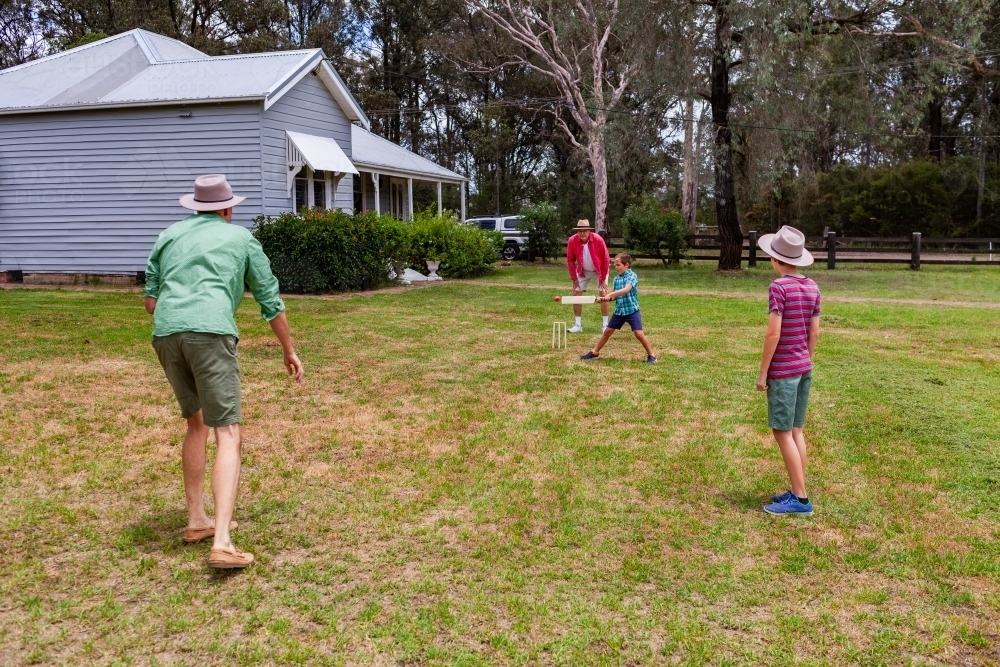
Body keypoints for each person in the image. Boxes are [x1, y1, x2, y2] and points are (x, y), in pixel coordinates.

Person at [144, 174, 304, 569]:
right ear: (229, 209)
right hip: (211, 333)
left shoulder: (168, 235)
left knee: (196, 423)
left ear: (195, 207)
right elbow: (270, 301)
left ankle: (198, 520)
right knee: (228, 432)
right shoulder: (241, 239)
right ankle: (223, 542)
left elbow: (150, 301)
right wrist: (289, 350)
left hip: (165, 333)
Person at [755, 225, 821, 516]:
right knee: (796, 430)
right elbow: (815, 332)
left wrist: (762, 373)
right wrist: (805, 359)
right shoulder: (812, 287)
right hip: (804, 366)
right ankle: (797, 490)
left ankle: (801, 500)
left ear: (774, 259)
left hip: (783, 371)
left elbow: (773, 334)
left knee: (782, 432)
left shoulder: (778, 287)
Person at [580, 253, 656, 363]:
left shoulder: (632, 276)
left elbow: (626, 290)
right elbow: (615, 296)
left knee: (639, 334)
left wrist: (610, 294)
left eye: (618, 265)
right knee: (607, 332)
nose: (616, 267)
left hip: (632, 310)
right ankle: (595, 353)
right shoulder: (616, 279)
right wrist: (604, 299)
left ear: (627, 265)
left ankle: (652, 355)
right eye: (615, 265)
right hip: (619, 311)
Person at [565, 219, 610, 333]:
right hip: (582, 270)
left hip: (599, 270)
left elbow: (605, 259)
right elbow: (570, 260)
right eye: (580, 231)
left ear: (589, 231)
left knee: (603, 293)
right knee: (576, 292)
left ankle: (605, 325)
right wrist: (574, 279)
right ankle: (578, 325)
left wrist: (603, 278)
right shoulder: (572, 241)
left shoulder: (598, 239)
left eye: (584, 231)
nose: (582, 233)